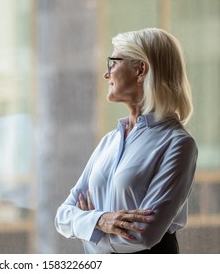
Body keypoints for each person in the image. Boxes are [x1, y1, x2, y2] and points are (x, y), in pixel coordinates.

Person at [54, 28, 198, 254]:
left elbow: (141, 236)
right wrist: (101, 220)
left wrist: (85, 225)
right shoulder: (109, 142)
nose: (106, 74)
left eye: (113, 62)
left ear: (141, 70)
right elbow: (62, 215)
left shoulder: (178, 144)